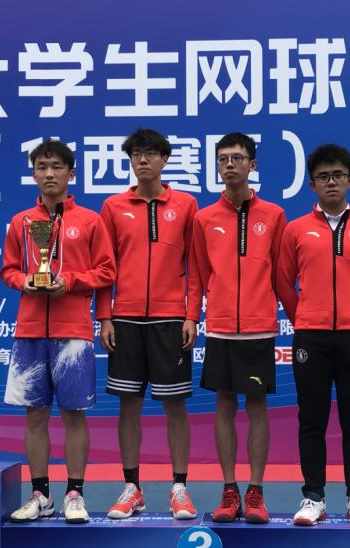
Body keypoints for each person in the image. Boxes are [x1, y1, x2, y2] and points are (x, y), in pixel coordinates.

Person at [1, 140, 116, 523]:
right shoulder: (21, 221)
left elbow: (107, 271)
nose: (49, 174)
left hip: (74, 331)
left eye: (56, 167)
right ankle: (40, 495)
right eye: (41, 167)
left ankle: (75, 494)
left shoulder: (90, 221)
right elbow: (8, 269)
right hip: (30, 329)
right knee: (35, 415)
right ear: (33, 173)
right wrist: (24, 282)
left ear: (71, 173)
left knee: (74, 415)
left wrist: (70, 281)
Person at [276, 144, 350, 527]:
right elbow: (283, 281)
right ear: (312, 185)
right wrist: (305, 317)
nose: (331, 182)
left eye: (338, 175)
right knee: (312, 419)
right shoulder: (296, 230)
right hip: (311, 337)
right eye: (323, 177)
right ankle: (313, 497)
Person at [96, 128, 199, 520]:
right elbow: (105, 268)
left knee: (175, 405)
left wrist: (192, 315)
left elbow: (196, 268)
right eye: (136, 154)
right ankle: (132, 487)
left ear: (164, 159)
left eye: (150, 154)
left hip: (171, 319)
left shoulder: (186, 205)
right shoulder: (113, 207)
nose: (142, 160)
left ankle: (179, 488)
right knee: (129, 405)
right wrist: (105, 316)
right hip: (125, 319)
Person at [188, 132, 286, 523]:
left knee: (257, 406)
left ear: (252, 165)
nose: (230, 165)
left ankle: (256, 491)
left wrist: (298, 319)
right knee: (224, 404)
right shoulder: (204, 218)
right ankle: (229, 490)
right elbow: (198, 275)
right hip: (221, 328)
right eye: (223, 159)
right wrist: (192, 317)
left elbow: (281, 274)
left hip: (260, 328)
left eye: (238, 158)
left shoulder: (274, 216)